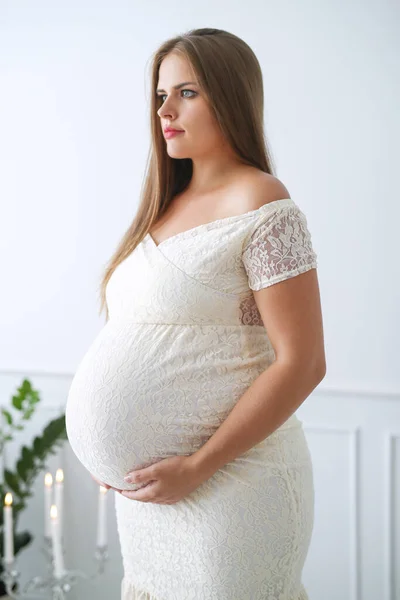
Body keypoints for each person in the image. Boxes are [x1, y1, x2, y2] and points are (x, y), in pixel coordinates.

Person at [66, 27, 326, 599]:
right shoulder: (160, 209)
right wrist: (110, 446)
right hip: (152, 500)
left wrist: (200, 465)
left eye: (187, 92)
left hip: (232, 488)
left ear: (230, 97)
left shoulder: (264, 205)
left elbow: (303, 362)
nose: (165, 110)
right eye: (159, 96)